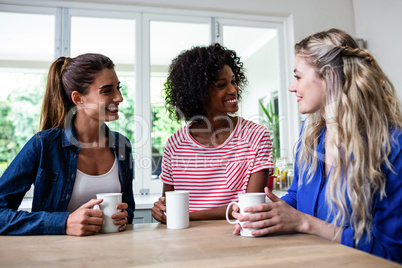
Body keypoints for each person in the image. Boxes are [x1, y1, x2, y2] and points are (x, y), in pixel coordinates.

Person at [231, 28, 402, 263]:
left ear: (330, 76)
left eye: (298, 77)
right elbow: (297, 196)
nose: (292, 87)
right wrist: (265, 213)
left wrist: (305, 223)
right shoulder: (311, 134)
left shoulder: (393, 146)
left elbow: (391, 252)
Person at [0, 53, 135, 236]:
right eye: (107, 90)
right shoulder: (44, 145)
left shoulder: (122, 145)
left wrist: (125, 215)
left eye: (119, 88)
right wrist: (63, 222)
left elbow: (128, 208)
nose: (119, 97)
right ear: (78, 98)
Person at [152, 43, 274, 223]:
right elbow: (168, 206)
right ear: (198, 92)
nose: (234, 90)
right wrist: (160, 210)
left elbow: (251, 207)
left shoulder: (256, 136)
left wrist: (186, 216)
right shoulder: (175, 144)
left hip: (237, 237)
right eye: (221, 85)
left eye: (233, 81)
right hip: (183, 242)